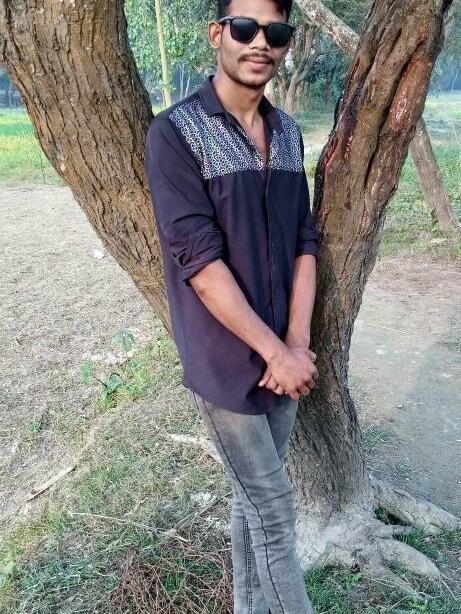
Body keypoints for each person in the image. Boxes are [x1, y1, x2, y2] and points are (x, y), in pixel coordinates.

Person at [144, 0, 321, 611]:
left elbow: (304, 240)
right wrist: (275, 351)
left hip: (286, 363)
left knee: (253, 507)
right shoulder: (176, 133)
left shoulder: (289, 133)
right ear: (217, 34)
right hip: (226, 362)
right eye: (245, 28)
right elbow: (199, 262)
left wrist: (296, 345)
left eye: (276, 32)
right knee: (274, 513)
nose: (260, 43)